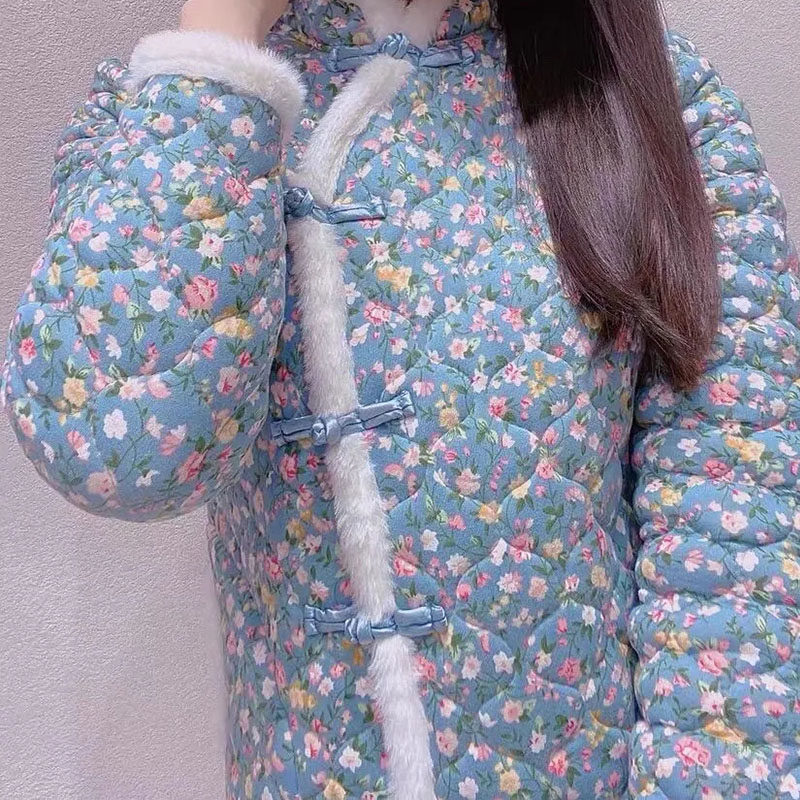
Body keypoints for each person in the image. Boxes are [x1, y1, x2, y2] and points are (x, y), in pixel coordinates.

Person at [3, 0, 798, 797]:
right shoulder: (166, 110)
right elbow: (116, 454)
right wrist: (224, 35)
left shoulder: (662, 106)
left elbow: (738, 569)